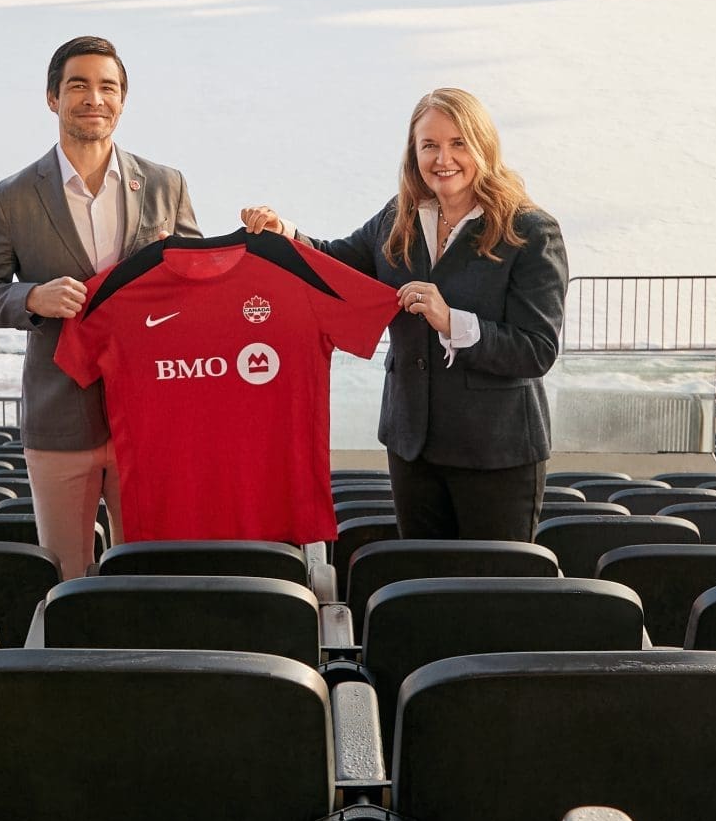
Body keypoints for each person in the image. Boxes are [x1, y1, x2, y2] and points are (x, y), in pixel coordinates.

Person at [242, 87, 566, 542]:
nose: (443, 158)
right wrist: (284, 234)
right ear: (413, 154)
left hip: (497, 451)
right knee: (424, 591)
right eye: (429, 145)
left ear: (484, 146)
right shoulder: (400, 215)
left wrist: (451, 320)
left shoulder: (529, 230)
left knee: (491, 597)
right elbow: (336, 263)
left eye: (458, 143)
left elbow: (537, 350)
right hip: (412, 447)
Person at [0, 36, 200, 577]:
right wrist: (31, 298)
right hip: (59, 420)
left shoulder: (165, 184)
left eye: (107, 87)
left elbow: (195, 287)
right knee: (66, 576)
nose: (94, 98)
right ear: (52, 98)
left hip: (148, 417)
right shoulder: (13, 196)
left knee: (150, 571)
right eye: (79, 86)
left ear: (123, 99)